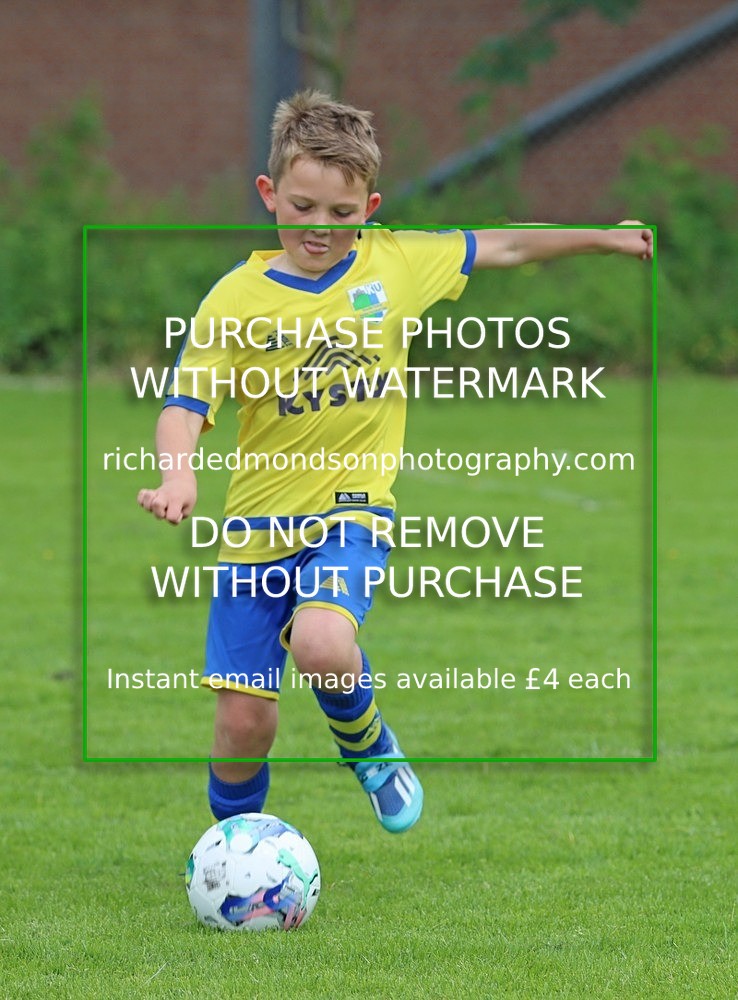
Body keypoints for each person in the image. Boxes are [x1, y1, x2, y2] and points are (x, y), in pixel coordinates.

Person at [138, 90, 652, 834]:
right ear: (269, 193)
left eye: (342, 215)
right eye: (304, 206)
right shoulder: (235, 299)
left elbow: (502, 244)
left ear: (370, 207)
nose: (320, 228)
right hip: (255, 531)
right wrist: (178, 470)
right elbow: (184, 402)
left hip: (352, 512)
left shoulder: (397, 265)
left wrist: (604, 238)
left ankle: (368, 744)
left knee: (322, 641)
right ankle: (232, 848)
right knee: (244, 725)